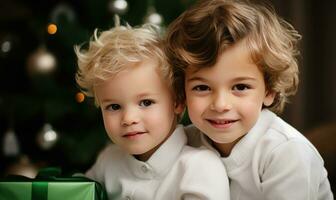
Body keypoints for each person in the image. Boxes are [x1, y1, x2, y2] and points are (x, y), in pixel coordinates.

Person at [165, 0, 334, 199]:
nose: (220, 105)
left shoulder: (286, 152)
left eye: (240, 87)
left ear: (269, 90)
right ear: (182, 91)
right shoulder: (183, 142)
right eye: (202, 88)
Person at [74, 16, 230, 200]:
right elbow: (77, 193)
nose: (129, 118)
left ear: (178, 102)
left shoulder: (200, 168)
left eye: (146, 102)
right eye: (114, 106)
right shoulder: (108, 160)